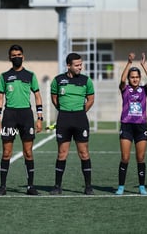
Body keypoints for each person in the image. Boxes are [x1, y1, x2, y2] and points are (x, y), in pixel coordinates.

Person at [0, 44, 43, 196]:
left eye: (19, 55)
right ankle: (2, 187)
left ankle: (30, 186)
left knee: (28, 152)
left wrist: (40, 117)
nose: (17, 57)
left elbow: (37, 96)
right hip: (9, 116)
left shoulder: (30, 75)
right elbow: (0, 97)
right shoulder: (4, 76)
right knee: (6, 152)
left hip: (26, 116)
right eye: (14, 55)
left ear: (23, 56)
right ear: (9, 58)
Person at [49, 52, 94, 195]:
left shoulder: (86, 81)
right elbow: (54, 99)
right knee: (62, 153)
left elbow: (91, 99)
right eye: (77, 65)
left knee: (84, 153)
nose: (80, 67)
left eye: (81, 64)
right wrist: (65, 111)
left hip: (80, 119)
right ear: (68, 66)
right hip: (64, 119)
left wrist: (80, 112)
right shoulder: (58, 80)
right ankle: (57, 186)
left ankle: (88, 186)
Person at [115, 52, 147, 195]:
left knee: (140, 158)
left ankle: (141, 186)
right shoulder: (125, 90)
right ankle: (121, 186)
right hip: (126, 126)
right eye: (132, 77)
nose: (135, 79)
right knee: (125, 157)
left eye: (137, 77)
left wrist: (143, 65)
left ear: (140, 78)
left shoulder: (144, 90)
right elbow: (121, 80)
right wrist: (129, 63)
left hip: (141, 126)